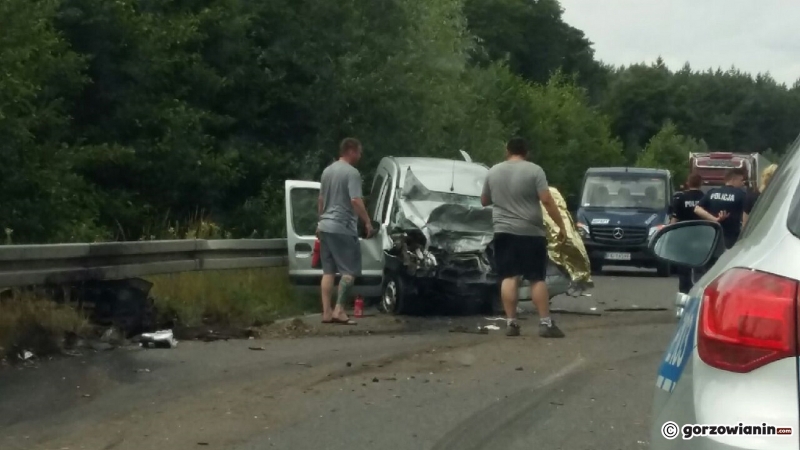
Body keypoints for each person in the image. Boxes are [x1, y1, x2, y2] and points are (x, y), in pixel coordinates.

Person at [481, 137, 567, 338]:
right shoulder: (535, 171)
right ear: (526, 152)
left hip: (503, 232)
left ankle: (511, 323)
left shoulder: (493, 171)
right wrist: (560, 225)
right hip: (530, 233)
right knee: (536, 278)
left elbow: (484, 200)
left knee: (508, 276)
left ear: (507, 150)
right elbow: (546, 199)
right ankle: (545, 323)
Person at [317, 138, 372, 325]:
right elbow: (355, 200)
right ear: (350, 151)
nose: (360, 155)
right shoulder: (352, 173)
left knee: (328, 271)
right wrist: (367, 222)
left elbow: (321, 200)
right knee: (349, 271)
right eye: (359, 151)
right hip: (343, 227)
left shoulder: (327, 171)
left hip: (325, 226)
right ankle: (339, 310)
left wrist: (320, 221)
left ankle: (326, 312)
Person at [693, 167, 747, 249]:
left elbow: (697, 209)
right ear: (733, 179)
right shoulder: (741, 194)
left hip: (712, 237)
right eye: (741, 180)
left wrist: (714, 219)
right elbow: (745, 217)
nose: (742, 183)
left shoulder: (712, 192)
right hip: (731, 239)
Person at [669, 173, 705, 293]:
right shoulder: (704, 198)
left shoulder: (681, 199)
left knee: (683, 269)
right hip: (701, 238)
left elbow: (674, 220)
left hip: (684, 237)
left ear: (688, 183)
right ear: (701, 184)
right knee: (699, 268)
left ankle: (684, 292)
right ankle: (697, 292)